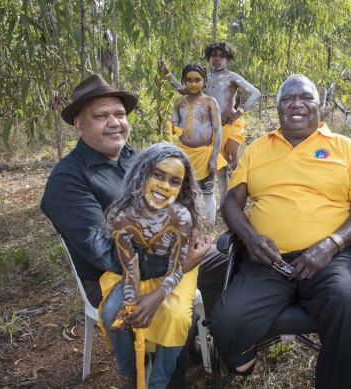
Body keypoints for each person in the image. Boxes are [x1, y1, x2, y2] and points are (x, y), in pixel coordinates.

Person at [40, 74, 227, 387]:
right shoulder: (68, 181)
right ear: (79, 125)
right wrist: (180, 264)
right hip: (114, 277)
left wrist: (192, 234)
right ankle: (155, 372)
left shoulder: (138, 158)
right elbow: (106, 254)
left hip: (168, 253)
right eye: (101, 116)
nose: (114, 123)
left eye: (119, 114)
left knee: (230, 263)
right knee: (166, 314)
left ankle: (206, 340)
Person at [210, 74, 351, 389]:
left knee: (345, 302)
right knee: (227, 322)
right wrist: (250, 237)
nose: (297, 104)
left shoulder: (344, 148)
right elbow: (231, 203)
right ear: (278, 107)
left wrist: (331, 244)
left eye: (306, 97)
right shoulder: (258, 148)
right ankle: (242, 364)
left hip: (331, 259)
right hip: (267, 259)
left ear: (318, 106)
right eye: (288, 98)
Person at [99, 143, 201, 388]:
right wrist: (131, 302)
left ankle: (159, 380)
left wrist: (156, 297)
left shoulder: (180, 217)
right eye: (158, 175)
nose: (165, 186)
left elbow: (179, 266)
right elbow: (130, 263)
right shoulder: (121, 215)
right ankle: (134, 372)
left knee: (175, 318)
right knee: (112, 314)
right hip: (138, 271)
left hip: (177, 271)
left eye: (174, 181)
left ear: (182, 186)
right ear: (141, 173)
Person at [158, 41, 261, 198]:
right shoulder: (205, 79)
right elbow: (182, 90)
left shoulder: (231, 77)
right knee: (220, 168)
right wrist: (167, 73)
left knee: (234, 165)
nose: (217, 59)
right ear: (209, 58)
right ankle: (225, 204)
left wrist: (239, 112)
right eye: (214, 56)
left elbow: (255, 93)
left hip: (229, 126)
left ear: (228, 59)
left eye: (221, 56)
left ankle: (246, 198)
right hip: (212, 130)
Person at [171, 62, 226, 226]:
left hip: (204, 154)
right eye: (189, 80)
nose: (193, 84)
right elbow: (176, 127)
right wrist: (173, 127)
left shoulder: (210, 102)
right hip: (184, 153)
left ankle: (209, 225)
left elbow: (218, 131)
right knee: (187, 191)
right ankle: (189, 222)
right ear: (184, 81)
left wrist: (214, 158)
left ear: (204, 81)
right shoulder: (179, 102)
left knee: (208, 191)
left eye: (197, 80)